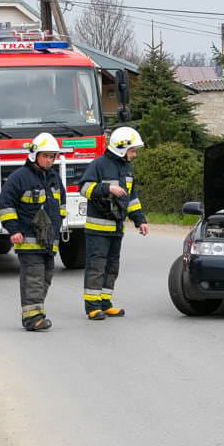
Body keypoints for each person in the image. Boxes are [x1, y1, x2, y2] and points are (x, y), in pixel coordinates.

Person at [0, 132, 66, 331]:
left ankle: (36, 311)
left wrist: (57, 226)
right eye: (46, 155)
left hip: (48, 240)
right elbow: (5, 204)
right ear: (34, 155)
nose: (49, 160)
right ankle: (32, 318)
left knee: (46, 276)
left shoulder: (54, 177)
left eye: (52, 156)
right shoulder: (19, 178)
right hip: (27, 239)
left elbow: (60, 205)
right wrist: (13, 230)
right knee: (34, 277)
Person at [79, 126, 149, 320]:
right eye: (132, 150)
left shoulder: (127, 169)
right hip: (98, 229)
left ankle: (105, 302)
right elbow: (84, 188)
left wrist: (140, 220)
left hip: (116, 228)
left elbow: (131, 198)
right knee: (96, 267)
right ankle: (92, 306)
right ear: (121, 148)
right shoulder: (99, 164)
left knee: (112, 267)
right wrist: (107, 188)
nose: (134, 154)